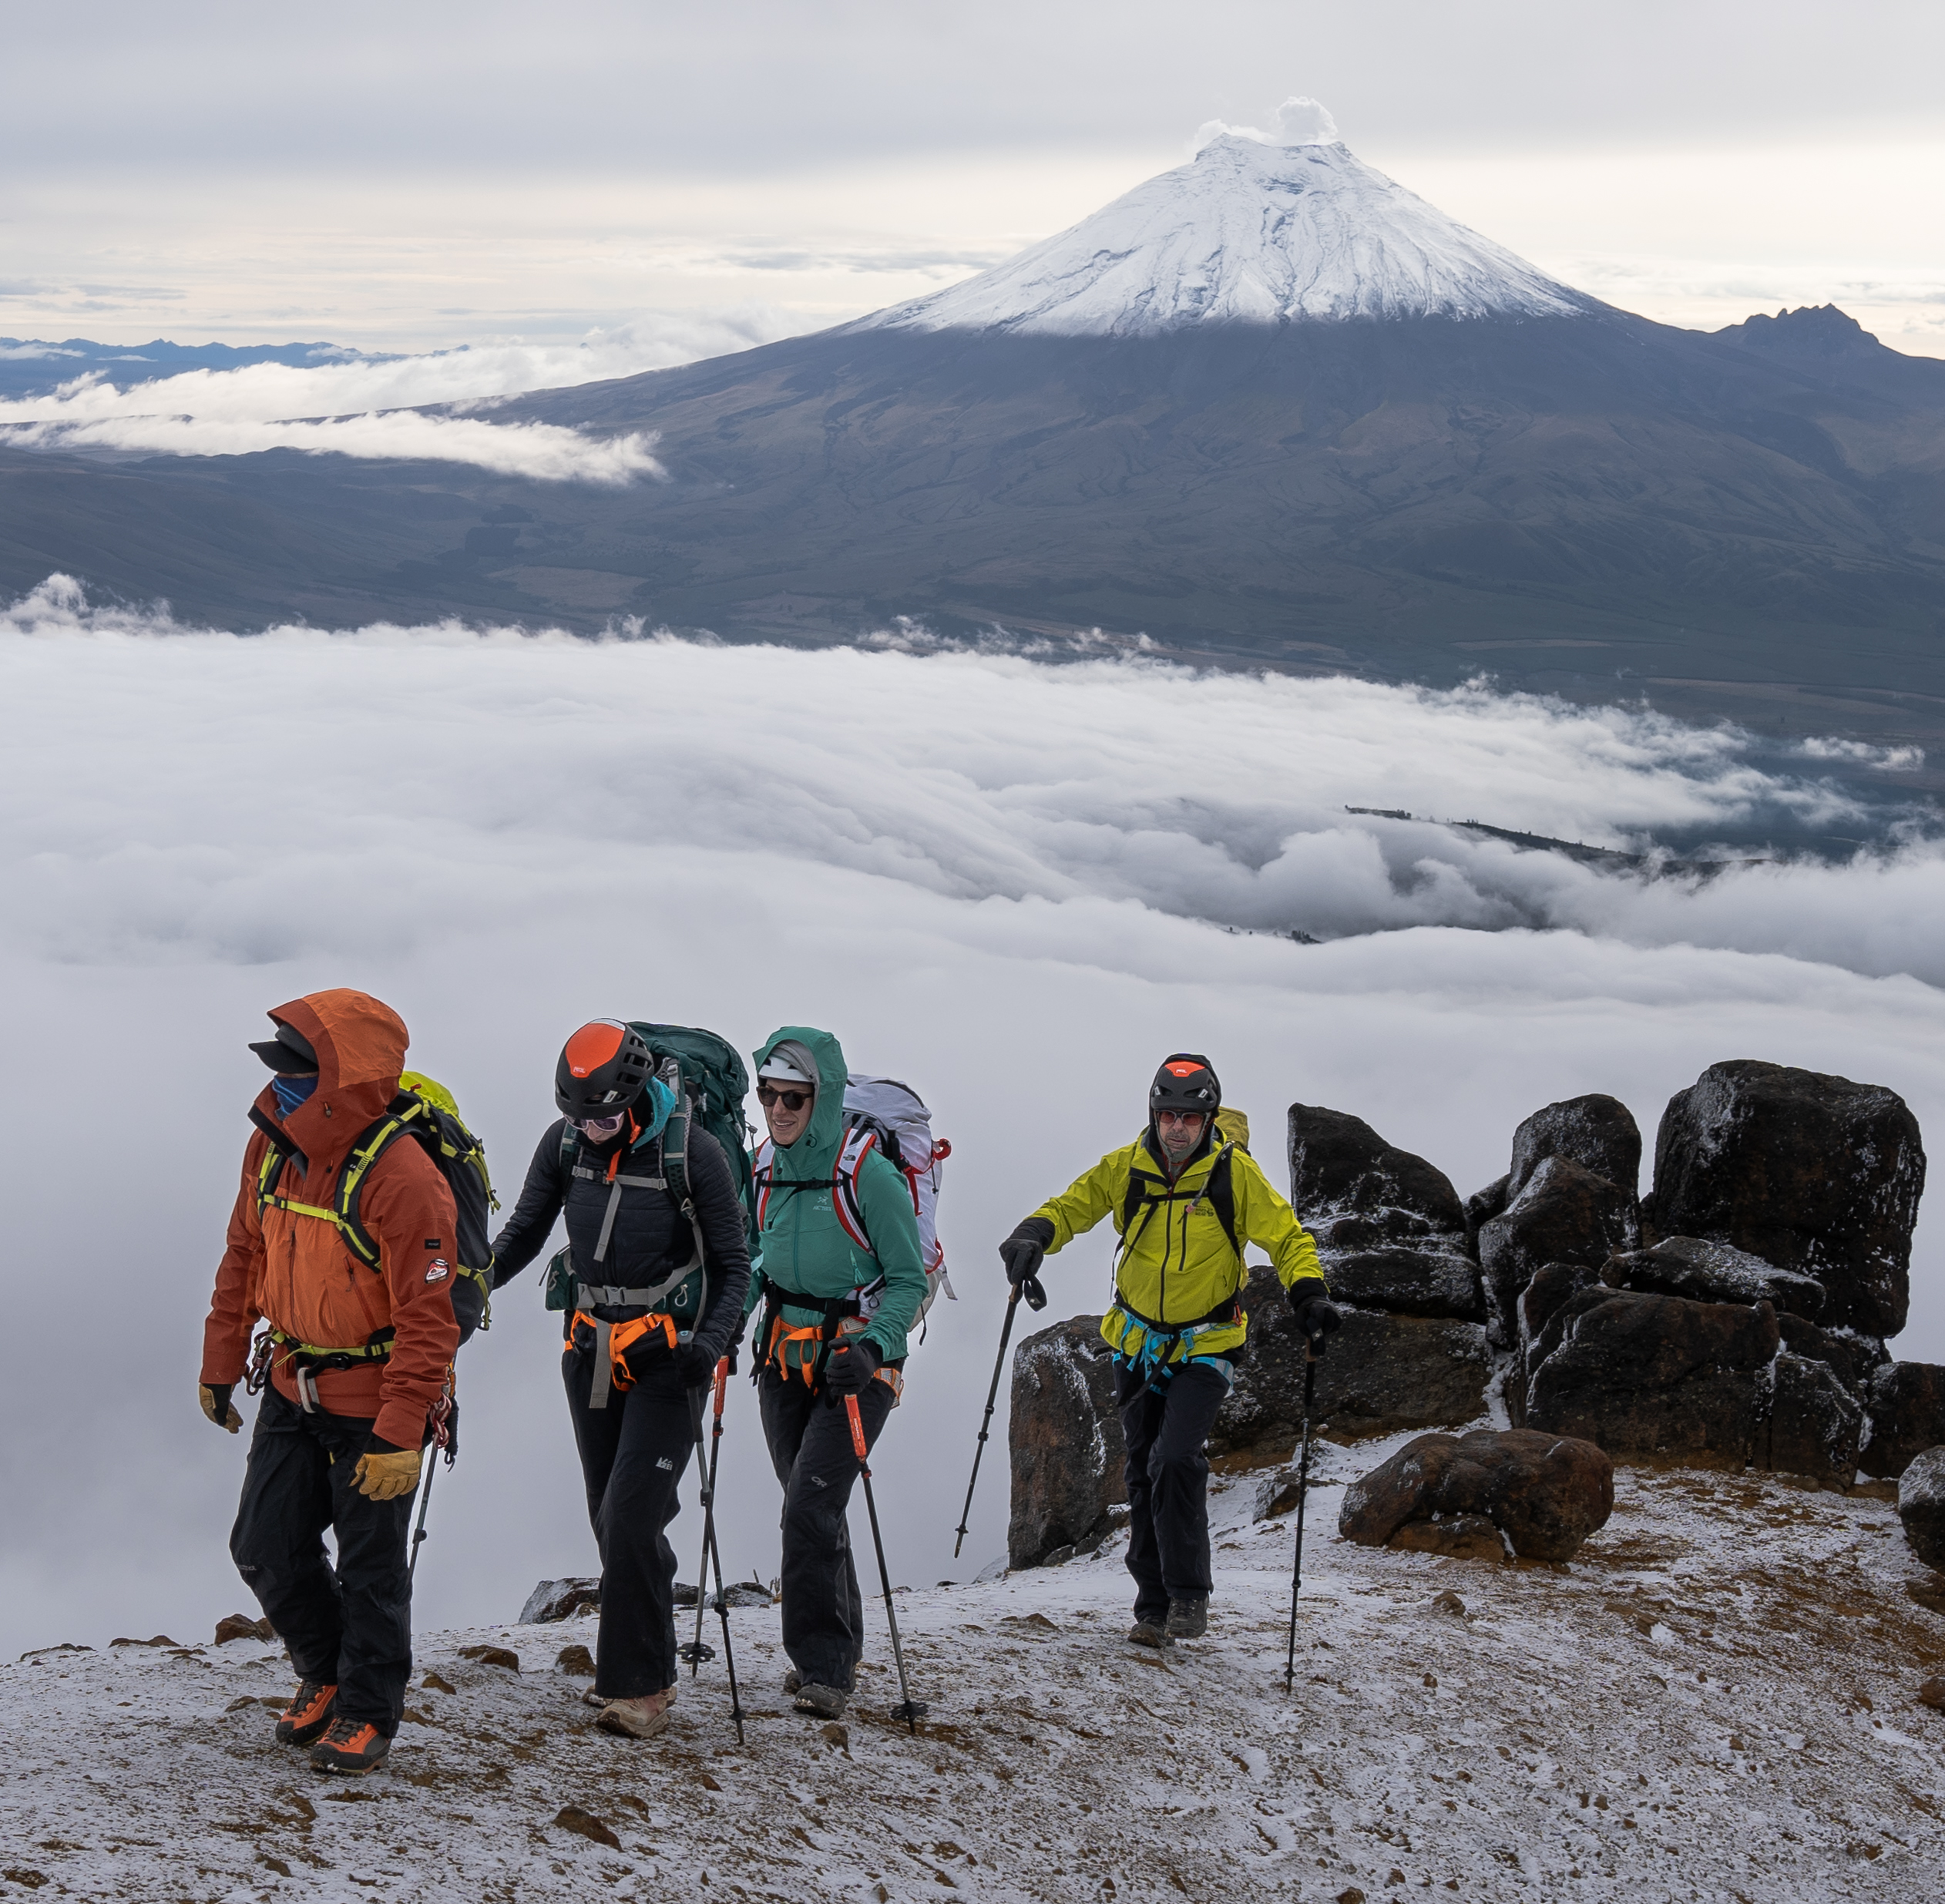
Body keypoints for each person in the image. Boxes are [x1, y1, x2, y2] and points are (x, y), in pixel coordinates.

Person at [199, 989, 461, 1775]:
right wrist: (220, 1362)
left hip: (375, 1399)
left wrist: (400, 1428)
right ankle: (327, 1669)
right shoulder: (273, 1147)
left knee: (370, 1565)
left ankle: (369, 1710)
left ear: (344, 1079)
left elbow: (429, 1317)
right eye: (279, 1068)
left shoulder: (404, 1176)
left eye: (297, 1071)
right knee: (264, 1544)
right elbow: (244, 1254)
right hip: (291, 1381)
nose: (280, 1084)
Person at [996, 1053, 1340, 1650]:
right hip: (1135, 1342)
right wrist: (1034, 1232)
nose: (1177, 1128)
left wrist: (1308, 1291)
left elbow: (1287, 1237)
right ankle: (1151, 1607)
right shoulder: (1127, 1168)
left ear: (1209, 1119)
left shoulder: (1234, 1176)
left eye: (1190, 1116)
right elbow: (1074, 1205)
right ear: (1153, 1115)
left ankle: (1188, 1594)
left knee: (1174, 1460)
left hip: (1207, 1343)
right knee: (1139, 1472)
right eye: (1168, 1115)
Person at [489, 1019, 751, 1740]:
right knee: (609, 1510)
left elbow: (735, 1266)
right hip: (591, 1352)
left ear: (635, 1093)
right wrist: (474, 1282)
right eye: (579, 1114)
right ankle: (641, 1665)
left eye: (604, 1114)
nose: (593, 1127)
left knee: (634, 1514)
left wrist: (711, 1346)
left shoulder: (691, 1152)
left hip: (672, 1358)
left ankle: (641, 1689)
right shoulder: (566, 1143)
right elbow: (527, 1229)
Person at [743, 1027, 927, 1720]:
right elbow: (761, 1254)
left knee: (809, 1508)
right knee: (808, 1503)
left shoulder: (866, 1174)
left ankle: (824, 1668)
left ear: (821, 1100)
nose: (779, 1109)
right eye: (769, 1094)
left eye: (794, 1097)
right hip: (783, 1358)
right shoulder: (765, 1167)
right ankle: (841, 1646)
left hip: (858, 1367)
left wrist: (877, 1346)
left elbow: (909, 1279)